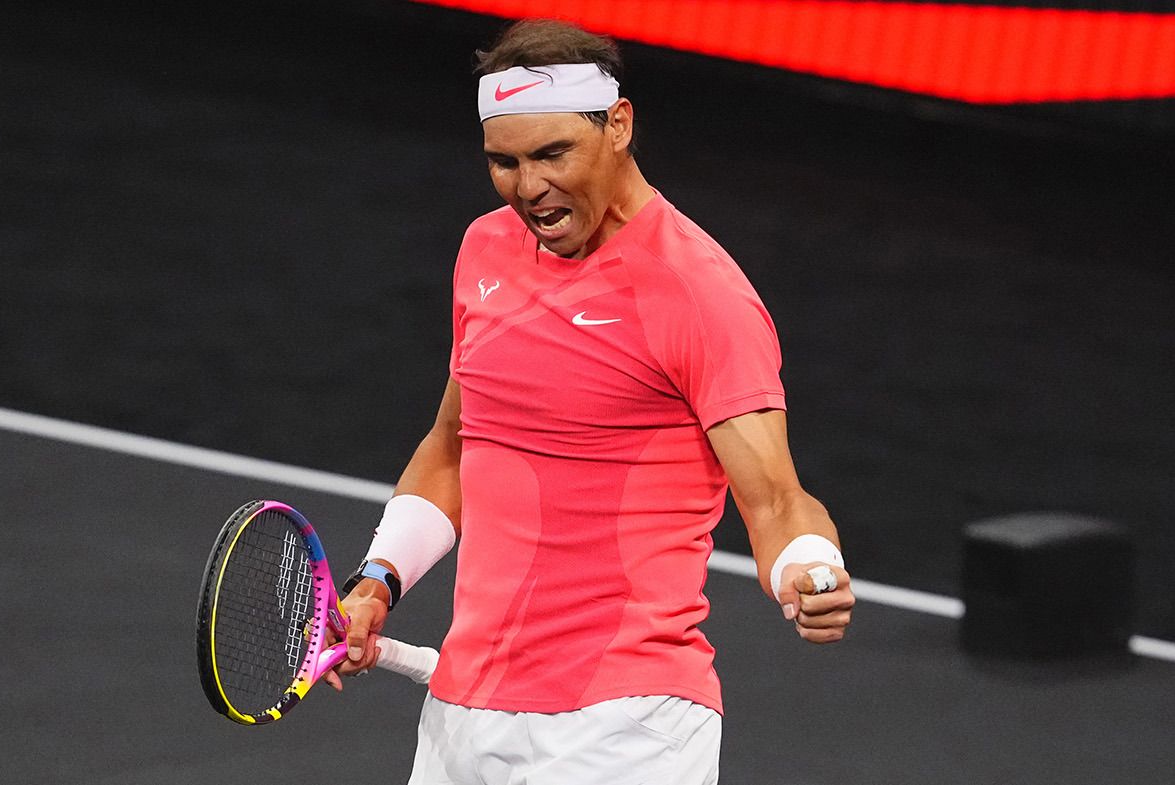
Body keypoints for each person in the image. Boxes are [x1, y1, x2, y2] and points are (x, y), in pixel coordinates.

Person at [325, 19, 854, 785]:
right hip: (465, 711)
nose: (527, 187)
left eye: (551, 154)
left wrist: (811, 569)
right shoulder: (484, 249)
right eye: (503, 161)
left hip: (625, 725)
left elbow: (775, 496)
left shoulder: (699, 291)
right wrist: (377, 582)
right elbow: (454, 445)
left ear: (619, 126)